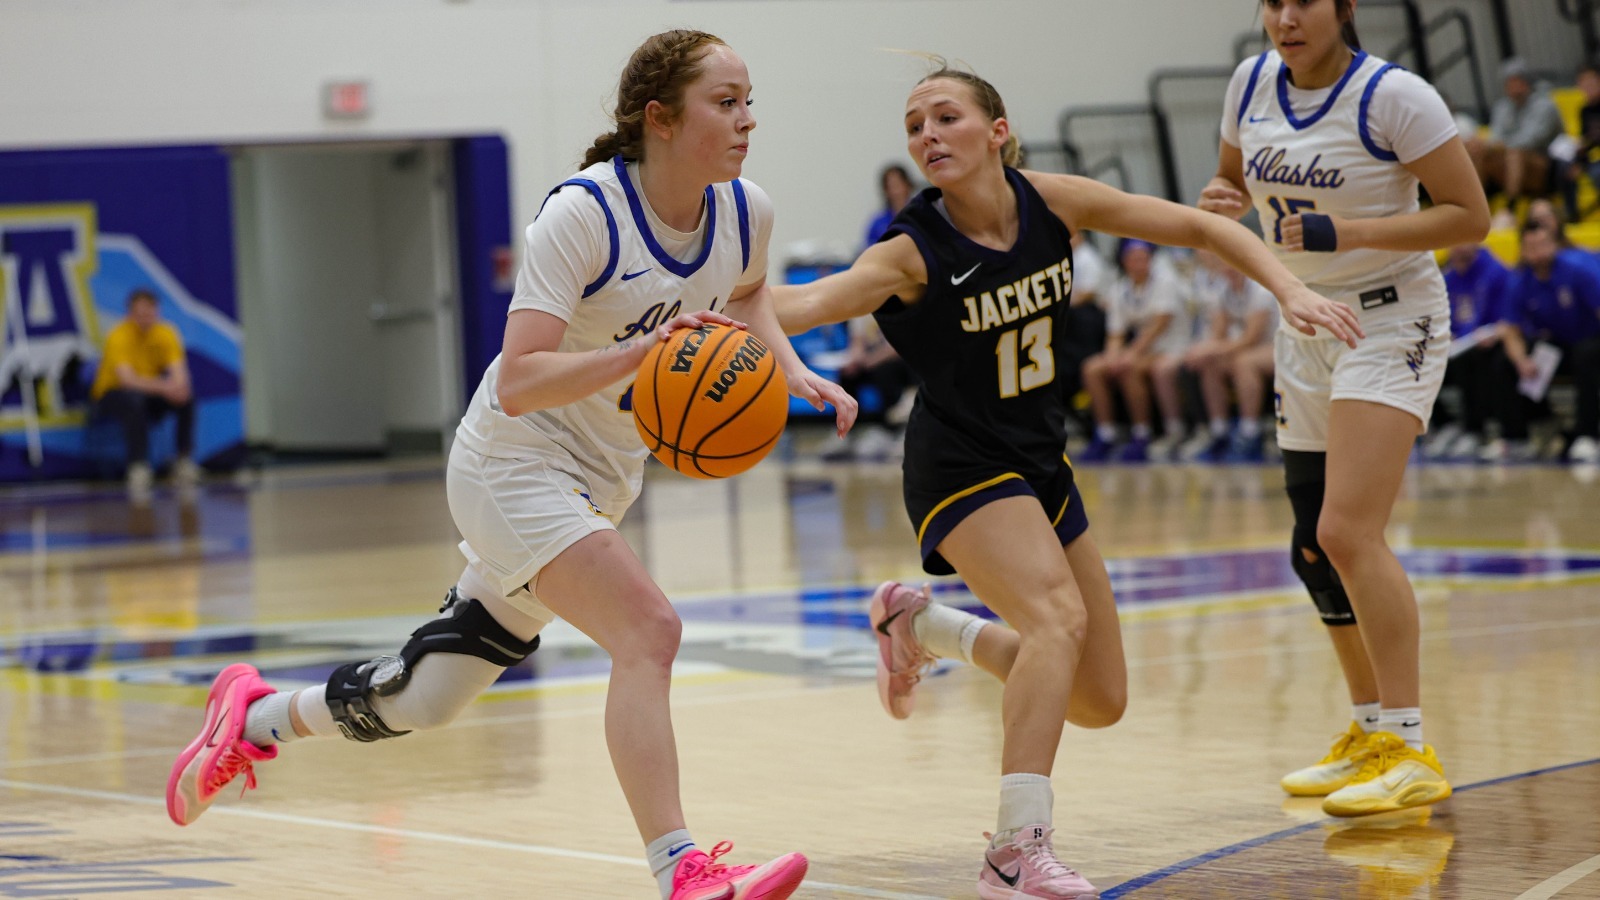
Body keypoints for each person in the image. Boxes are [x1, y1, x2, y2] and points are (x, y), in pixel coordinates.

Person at [165, 30, 855, 900]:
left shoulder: (743, 208)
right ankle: (682, 870)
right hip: (512, 461)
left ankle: (254, 719)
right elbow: (522, 379)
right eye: (727, 102)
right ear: (662, 119)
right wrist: (640, 356)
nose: (748, 119)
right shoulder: (585, 216)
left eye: (751, 100)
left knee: (428, 698)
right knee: (651, 631)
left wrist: (790, 372)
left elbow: (749, 289)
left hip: (602, 478)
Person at [774, 63, 1359, 899]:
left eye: (946, 117)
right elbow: (811, 300)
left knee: (1097, 697)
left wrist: (1287, 287)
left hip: (1040, 460)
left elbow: (1201, 230)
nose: (927, 136)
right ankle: (1015, 853)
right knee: (1056, 619)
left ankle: (921, 626)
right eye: (914, 125)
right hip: (961, 464)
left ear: (998, 130)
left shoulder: (1054, 201)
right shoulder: (911, 250)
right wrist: (714, 303)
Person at [1201, 0, 1489, 816]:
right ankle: (1368, 730)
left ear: (1344, 9)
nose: (1286, 17)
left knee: (1347, 530)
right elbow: (1229, 176)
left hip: (1392, 313)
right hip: (1304, 321)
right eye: (1273, 2)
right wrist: (1223, 197)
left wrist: (1349, 231)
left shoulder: (1396, 97)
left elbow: (1472, 216)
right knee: (1311, 545)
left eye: (1305, 1)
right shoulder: (1251, 82)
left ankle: (1409, 743)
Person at [1077, 239, 1193, 462]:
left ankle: (1142, 433)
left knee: (1129, 368)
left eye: (1143, 258)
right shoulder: (1121, 288)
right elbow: (1115, 333)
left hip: (1171, 346)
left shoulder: (1165, 282)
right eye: (1134, 259)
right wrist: (1112, 356)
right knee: (1092, 368)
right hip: (1142, 351)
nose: (1139, 263)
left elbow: (1159, 325)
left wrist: (1129, 354)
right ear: (1124, 261)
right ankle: (1105, 433)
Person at [1493, 224, 1600, 464]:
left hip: (1592, 340)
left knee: (1586, 355)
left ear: (1554, 245)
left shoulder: (1578, 271)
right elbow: (1510, 330)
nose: (1538, 252)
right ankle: (1522, 435)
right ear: (1523, 250)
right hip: (1560, 344)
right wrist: (1522, 361)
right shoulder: (1520, 281)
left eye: (1543, 245)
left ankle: (1588, 436)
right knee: (1506, 362)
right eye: (1531, 247)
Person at [91, 288, 199, 497]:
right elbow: (127, 380)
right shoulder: (118, 336)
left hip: (150, 392)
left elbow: (180, 372)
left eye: (148, 313)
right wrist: (167, 387)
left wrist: (179, 388)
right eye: (139, 314)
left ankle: (183, 461)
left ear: (156, 312)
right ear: (130, 314)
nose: (144, 318)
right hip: (111, 394)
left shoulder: (166, 333)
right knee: (134, 402)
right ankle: (138, 466)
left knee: (186, 399)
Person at [1178, 250, 1279, 462]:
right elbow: (1219, 332)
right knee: (1210, 363)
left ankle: (1250, 433)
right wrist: (1204, 349)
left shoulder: (1260, 289)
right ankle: (1219, 431)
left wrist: (1213, 348)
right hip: (1248, 348)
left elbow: (1251, 338)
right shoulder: (1223, 290)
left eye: (1231, 263)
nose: (1227, 269)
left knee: (1244, 363)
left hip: (1276, 345)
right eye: (1224, 264)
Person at [1426, 243, 1510, 461]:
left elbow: (1505, 317)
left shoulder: (1495, 272)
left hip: (1489, 344)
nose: (1458, 247)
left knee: (1473, 359)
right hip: (1457, 345)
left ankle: (1475, 430)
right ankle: (1445, 426)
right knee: (1418, 356)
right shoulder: (1446, 277)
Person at [1465, 57, 1564, 228]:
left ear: (1527, 82)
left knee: (1515, 152)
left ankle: (1509, 210)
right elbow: (1495, 137)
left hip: (1545, 165)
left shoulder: (1545, 105)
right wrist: (1484, 145)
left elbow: (1531, 140)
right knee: (1477, 149)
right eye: (1509, 83)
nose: (1513, 87)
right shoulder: (1502, 107)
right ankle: (1477, 209)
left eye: (1517, 81)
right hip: (1510, 165)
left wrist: (1499, 146)